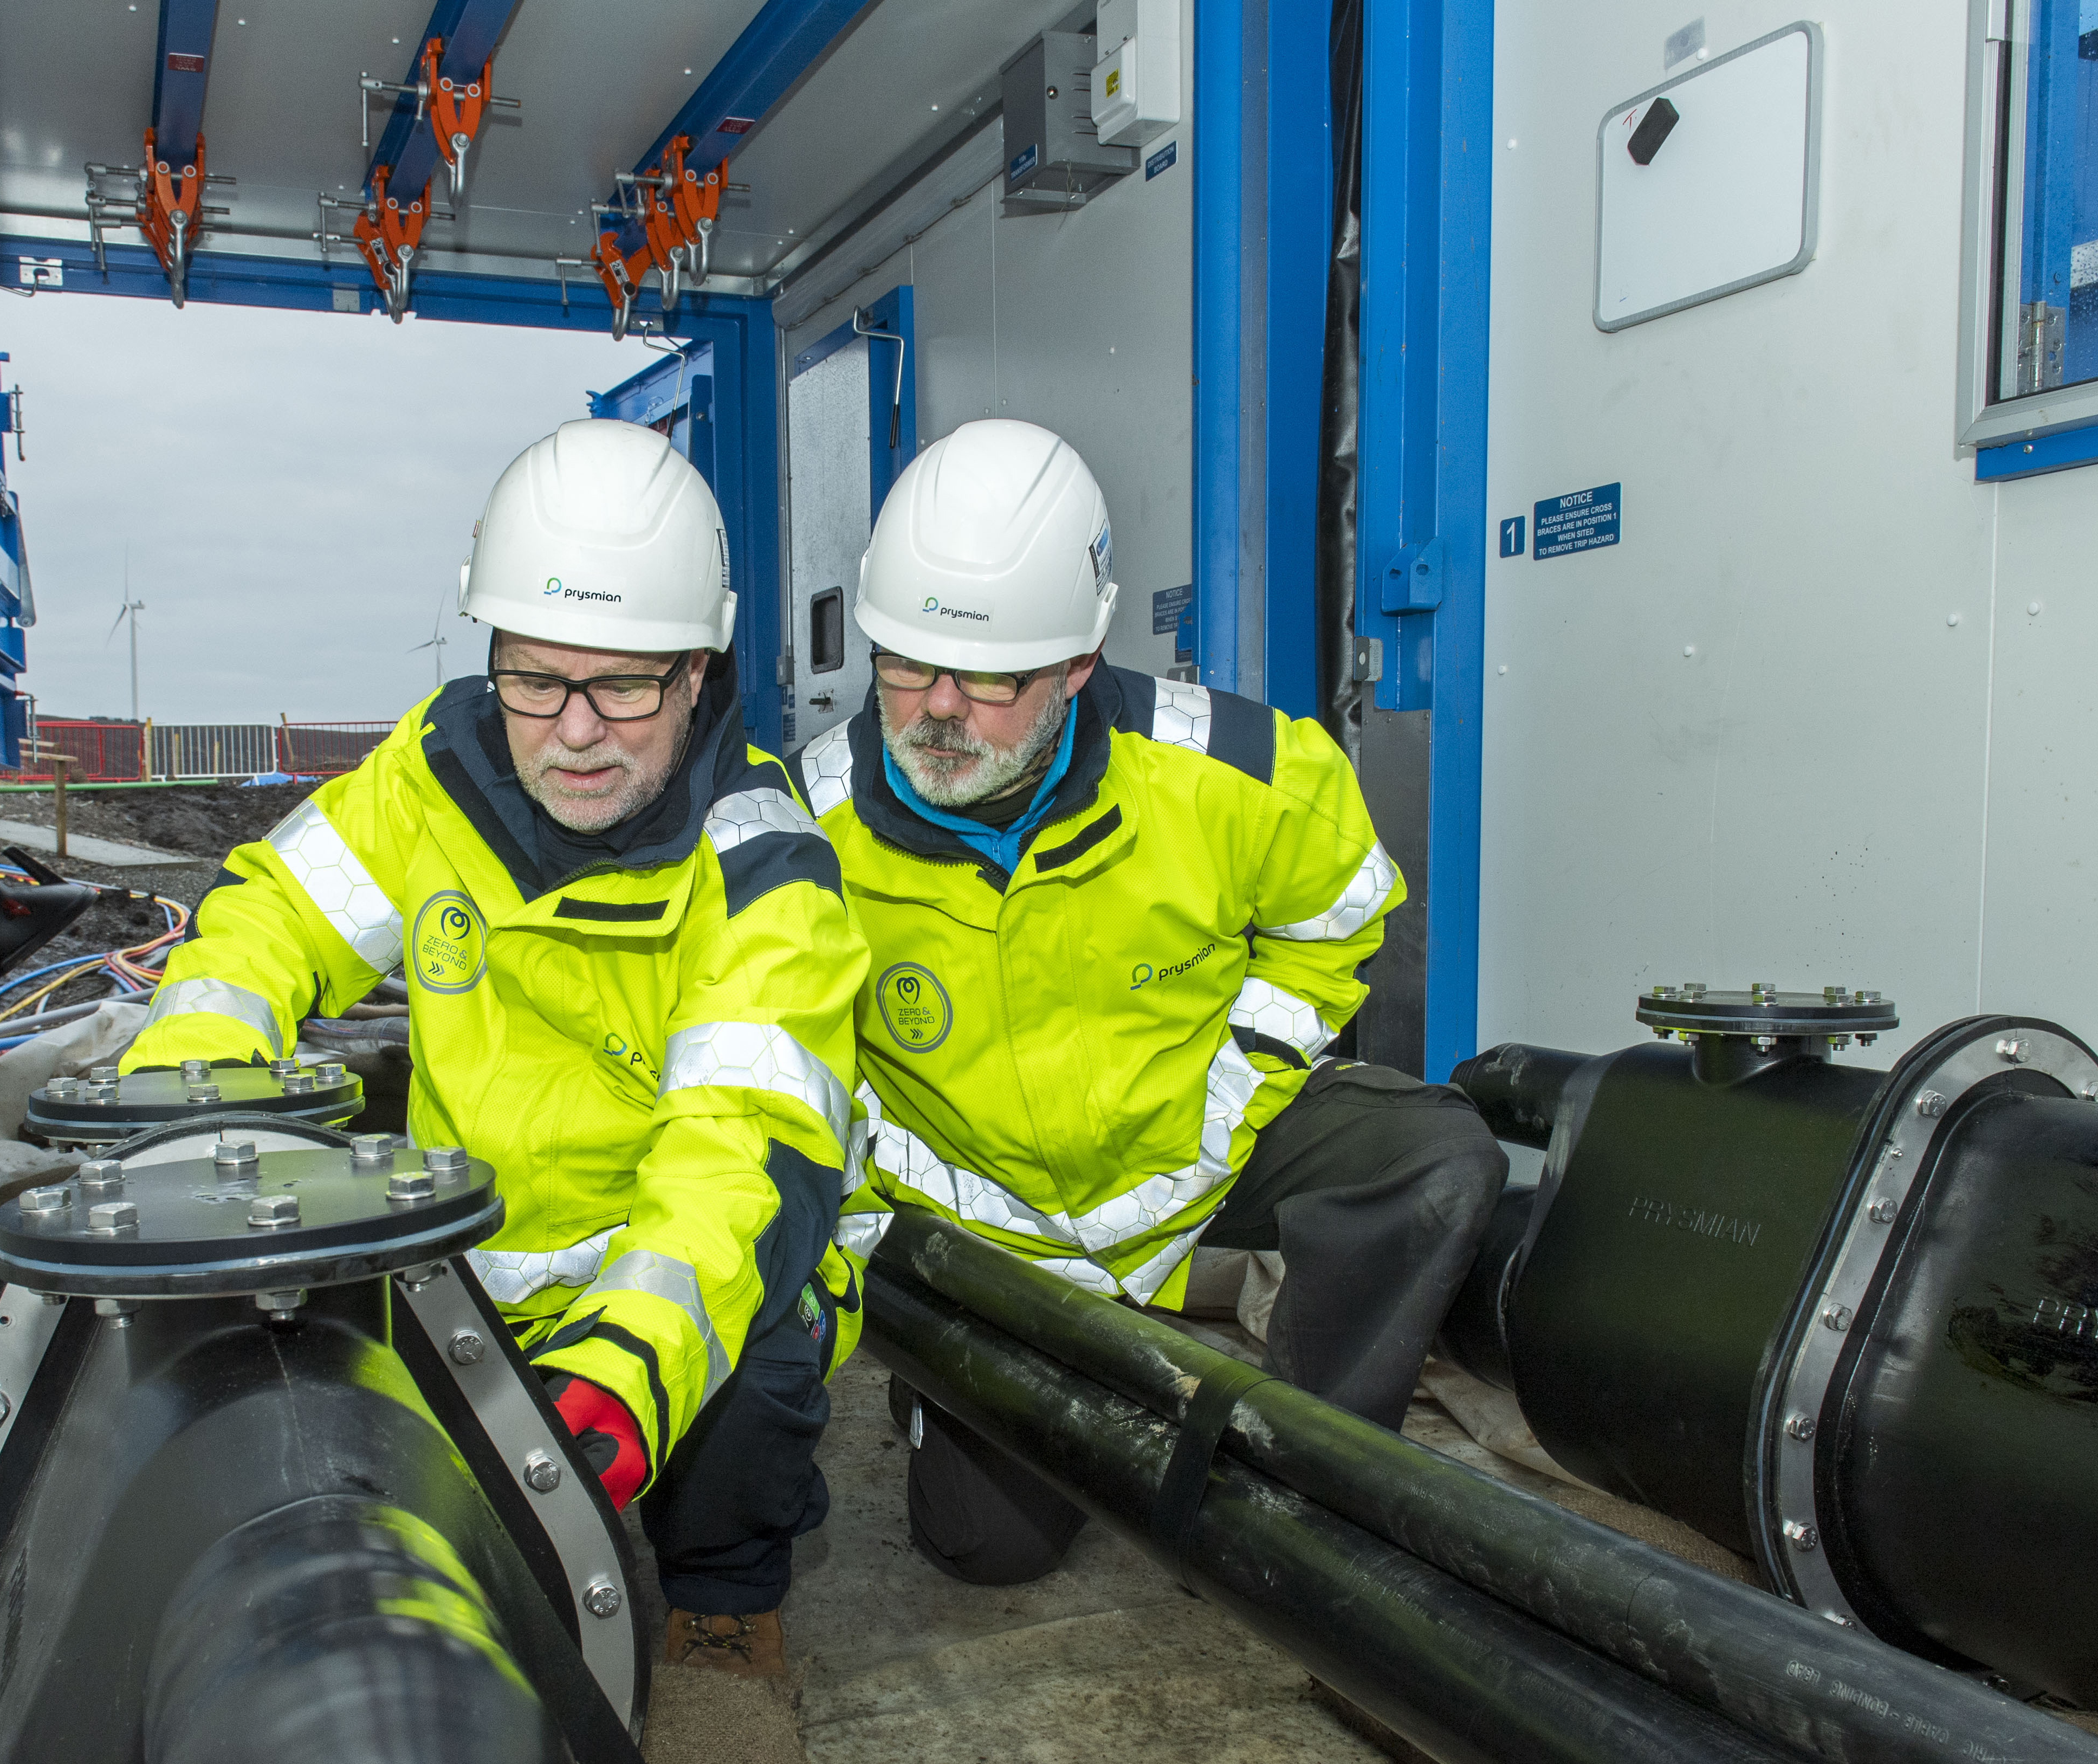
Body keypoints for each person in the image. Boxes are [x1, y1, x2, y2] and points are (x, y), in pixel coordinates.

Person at [123, 419, 870, 1678]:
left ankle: (725, 1604)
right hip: (463, 1265)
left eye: (624, 685)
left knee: (750, 1372)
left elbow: (735, 1165)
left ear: (699, 672)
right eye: (535, 677)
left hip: (678, 1276)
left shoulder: (763, 869)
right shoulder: (432, 779)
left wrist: (620, 1377)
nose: (575, 730)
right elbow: (269, 920)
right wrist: (184, 1085)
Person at [799, 418, 1506, 1586]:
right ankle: (961, 1391)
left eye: (986, 678)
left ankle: (1319, 1482)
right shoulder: (807, 828)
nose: (936, 709)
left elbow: (1338, 917)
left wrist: (1225, 1105)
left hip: (1196, 1139)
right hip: (991, 1223)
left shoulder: (1236, 775)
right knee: (986, 1549)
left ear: (1079, 667)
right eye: (906, 664)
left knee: (1433, 1153)